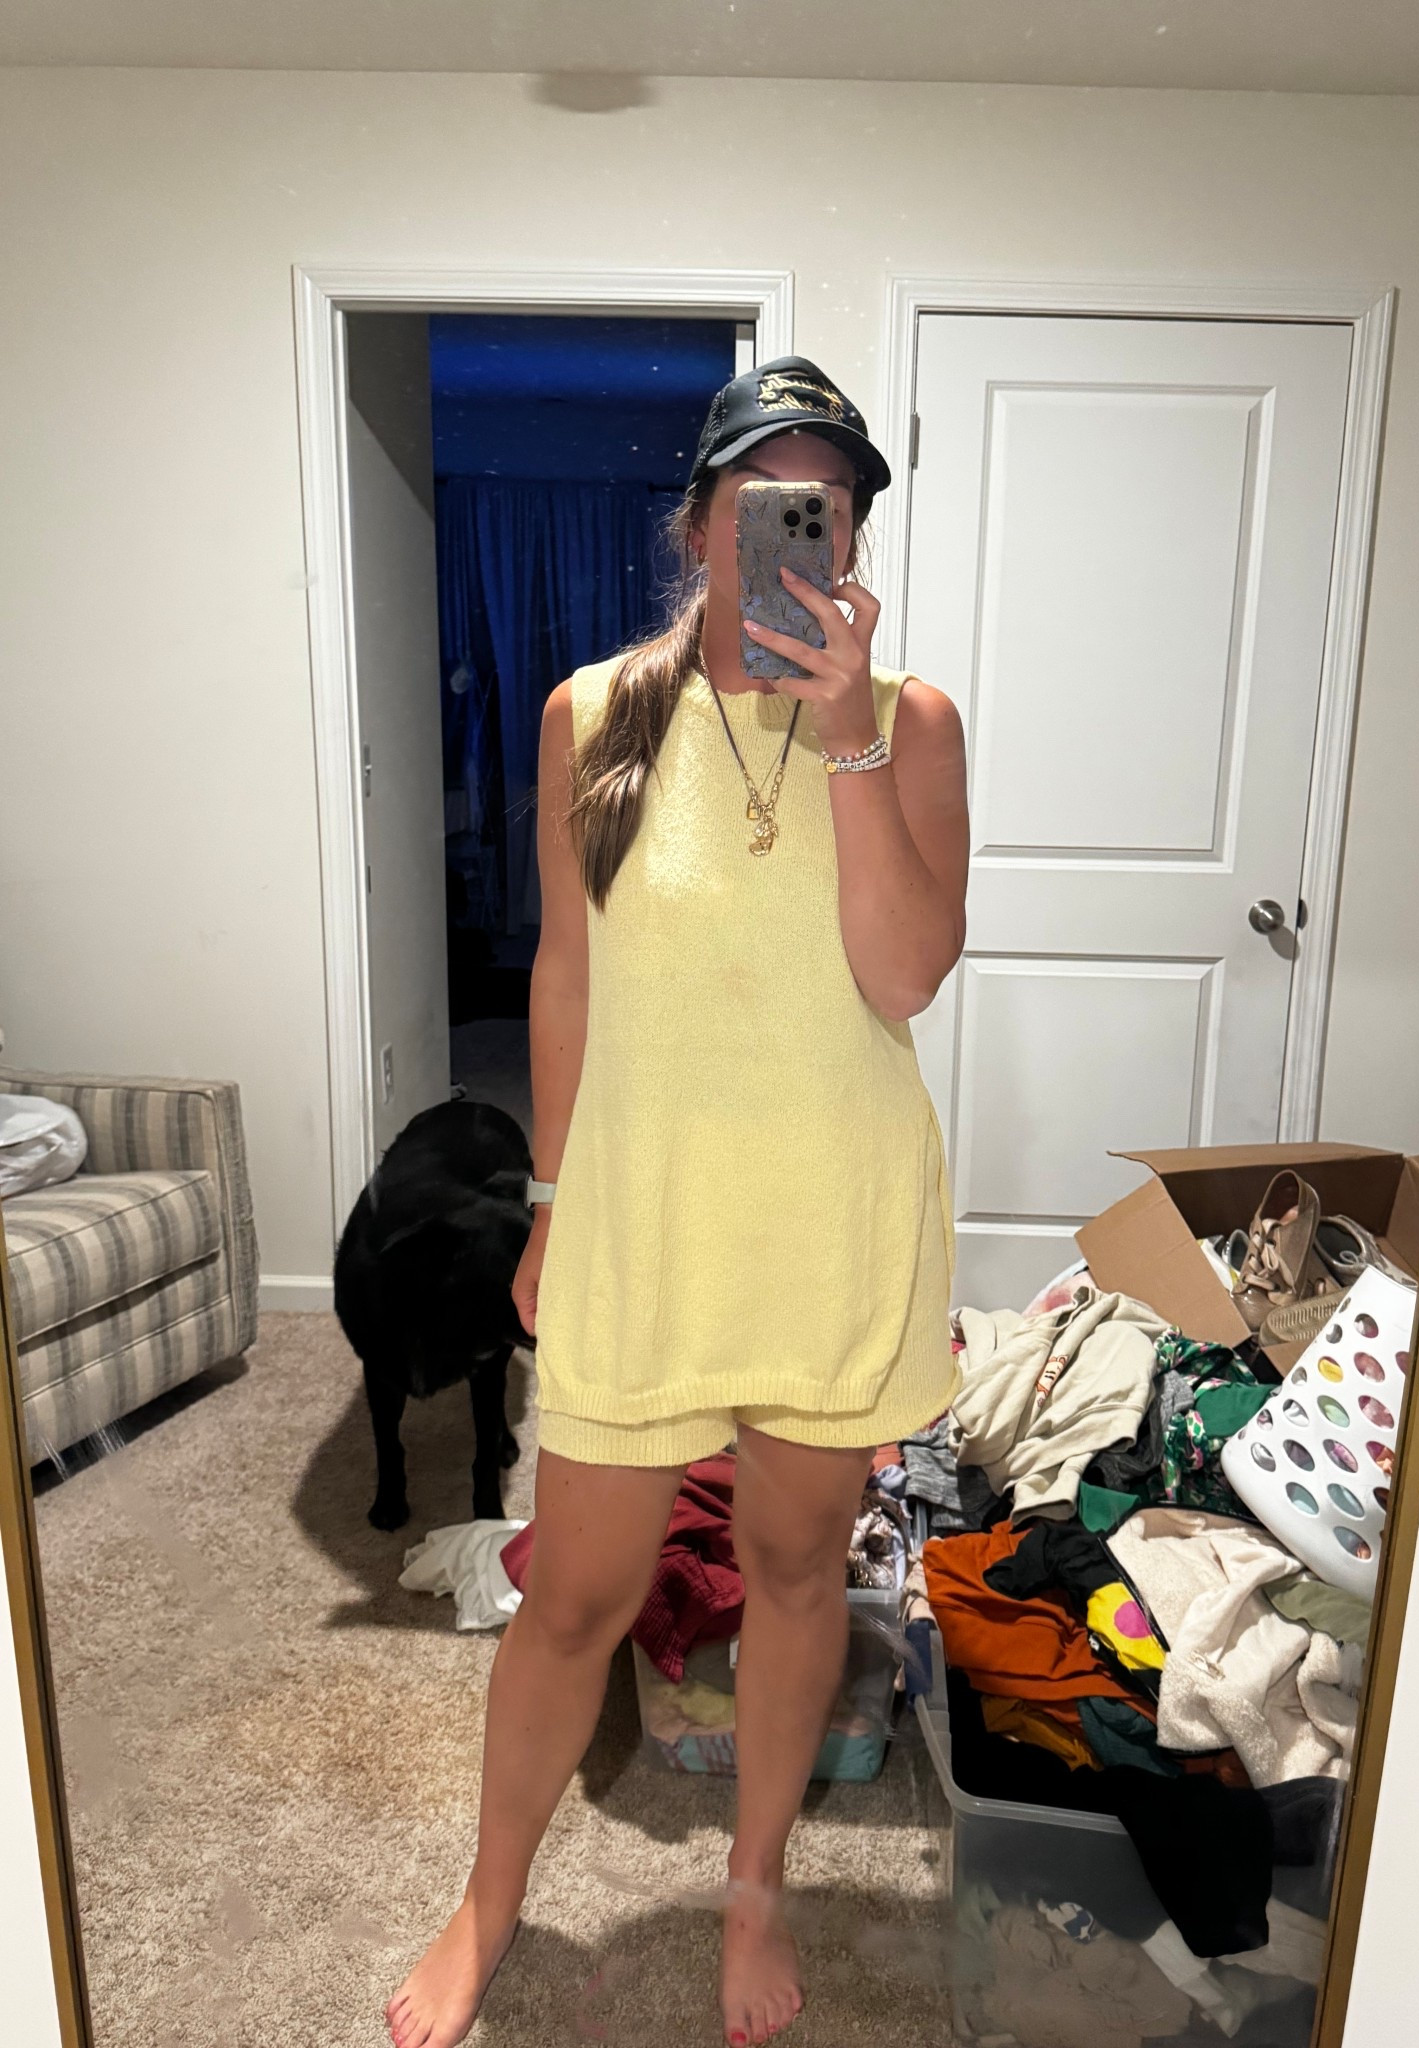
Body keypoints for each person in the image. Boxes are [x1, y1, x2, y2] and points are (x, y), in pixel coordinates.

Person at [385, 355, 970, 2048]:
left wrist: (848, 735)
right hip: (643, 1220)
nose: (798, 530)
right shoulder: (595, 715)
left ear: (849, 539)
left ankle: (755, 1884)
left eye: (830, 508)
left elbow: (903, 978)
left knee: (793, 1572)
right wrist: (551, 1201)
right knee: (577, 1588)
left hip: (829, 1219)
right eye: (768, 502)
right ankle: (489, 1898)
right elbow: (566, 980)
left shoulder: (913, 720)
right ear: (702, 522)